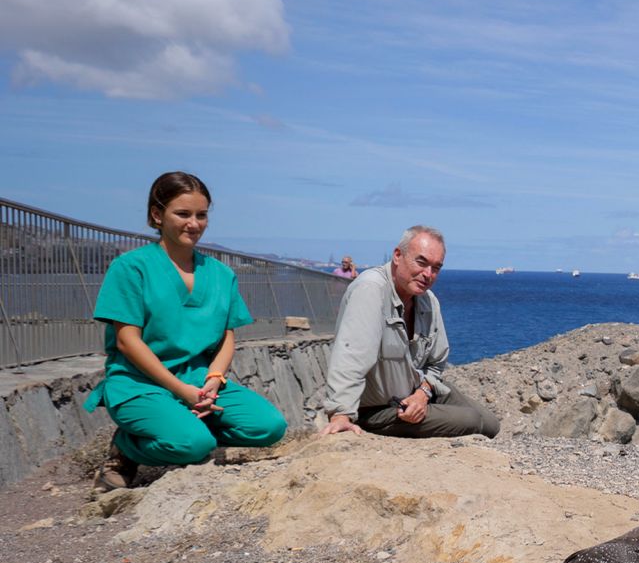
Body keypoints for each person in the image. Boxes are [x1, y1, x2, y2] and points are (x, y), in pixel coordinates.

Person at [85, 172, 289, 490]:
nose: (194, 224)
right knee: (193, 446)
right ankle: (125, 449)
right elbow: (127, 342)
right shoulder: (130, 268)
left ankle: (187, 430)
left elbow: (226, 338)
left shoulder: (221, 274)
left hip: (199, 381)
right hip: (140, 383)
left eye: (201, 215)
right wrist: (181, 391)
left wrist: (213, 380)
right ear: (157, 215)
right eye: (183, 214)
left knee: (268, 427)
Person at [320, 225, 499, 439]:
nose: (428, 274)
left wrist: (422, 393)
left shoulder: (428, 301)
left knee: (490, 424)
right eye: (421, 262)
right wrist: (341, 414)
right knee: (471, 421)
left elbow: (436, 362)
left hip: (417, 392)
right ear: (398, 255)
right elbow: (351, 357)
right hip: (379, 409)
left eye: (436, 268)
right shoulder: (371, 290)